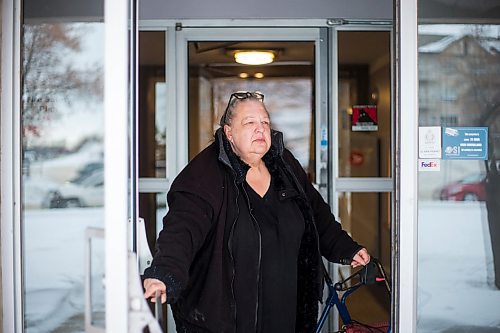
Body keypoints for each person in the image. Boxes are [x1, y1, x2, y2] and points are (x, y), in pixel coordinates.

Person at [143, 91, 370, 333]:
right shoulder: (202, 176)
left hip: (285, 311)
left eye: (265, 122)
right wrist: (164, 272)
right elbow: (182, 231)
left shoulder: (285, 165)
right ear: (229, 132)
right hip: (225, 319)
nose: (260, 129)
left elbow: (315, 214)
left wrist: (346, 248)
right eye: (249, 123)